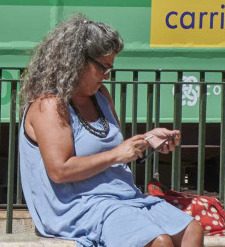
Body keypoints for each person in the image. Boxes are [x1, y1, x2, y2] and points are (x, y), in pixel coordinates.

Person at [20, 14, 203, 247]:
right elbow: (60, 170)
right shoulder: (50, 105)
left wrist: (146, 141)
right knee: (159, 242)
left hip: (122, 198)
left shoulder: (100, 96)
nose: (107, 76)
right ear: (76, 62)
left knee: (191, 231)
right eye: (103, 68)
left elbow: (112, 149)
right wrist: (117, 155)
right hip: (78, 206)